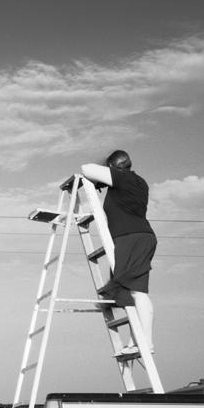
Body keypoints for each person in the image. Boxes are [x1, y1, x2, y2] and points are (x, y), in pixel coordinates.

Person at [80, 149, 156, 354]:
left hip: (131, 237)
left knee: (137, 292)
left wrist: (103, 175)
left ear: (114, 168)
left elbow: (86, 169)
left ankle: (146, 342)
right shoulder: (136, 182)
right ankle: (136, 341)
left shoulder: (124, 179)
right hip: (136, 237)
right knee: (133, 292)